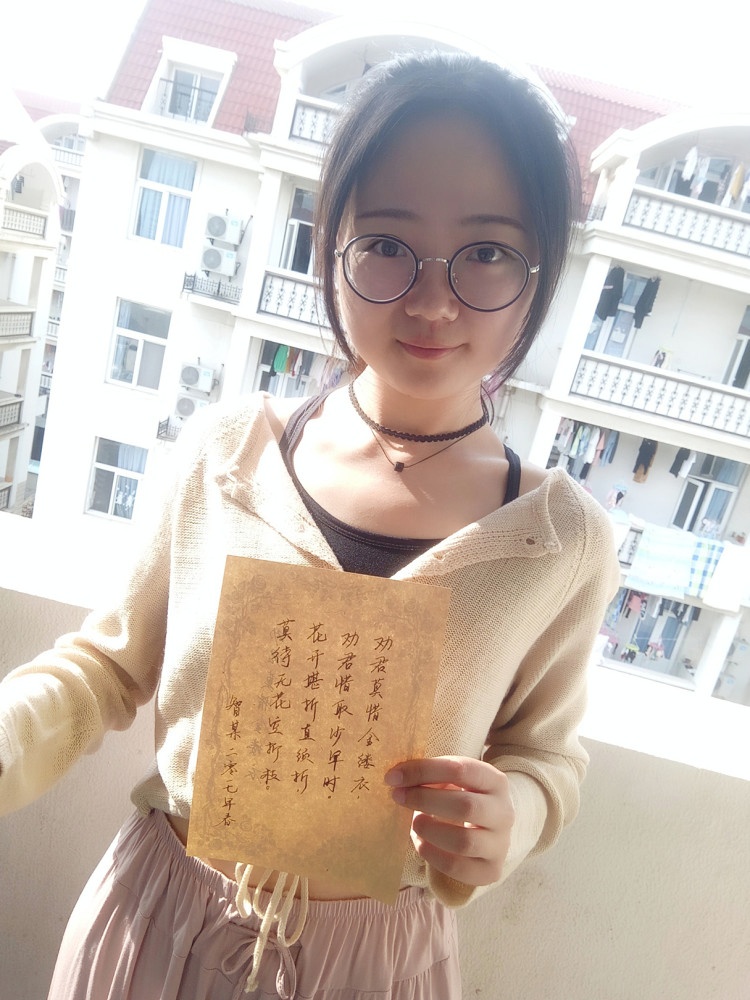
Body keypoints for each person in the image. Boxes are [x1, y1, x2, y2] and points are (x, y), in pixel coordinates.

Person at [0, 52, 620, 999]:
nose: (433, 300)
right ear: (331, 243)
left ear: (541, 272)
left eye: (489, 252)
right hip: (158, 922)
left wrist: (519, 813)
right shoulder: (227, 455)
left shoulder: (558, 541)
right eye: (387, 243)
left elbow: (545, 753)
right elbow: (108, 664)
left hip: (376, 962)